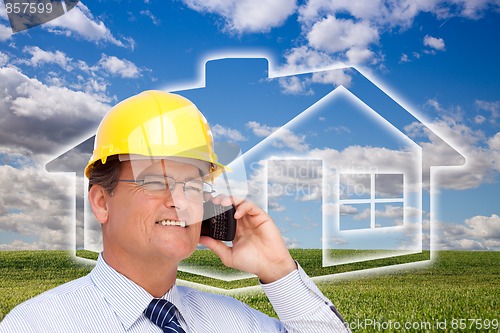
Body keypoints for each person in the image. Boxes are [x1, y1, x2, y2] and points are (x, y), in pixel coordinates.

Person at [0, 91, 349, 332]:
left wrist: (279, 272)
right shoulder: (35, 326)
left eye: (193, 186)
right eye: (154, 182)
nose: (179, 200)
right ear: (101, 202)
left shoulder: (237, 323)